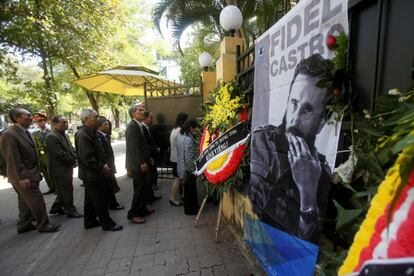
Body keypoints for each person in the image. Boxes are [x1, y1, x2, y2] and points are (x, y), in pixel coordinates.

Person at [248, 54, 333, 243]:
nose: (294, 120)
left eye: (307, 111)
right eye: (294, 103)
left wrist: (308, 196)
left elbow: (306, 241)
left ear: (321, 123)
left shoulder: (322, 175)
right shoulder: (261, 141)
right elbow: (254, 202)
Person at [0, 107, 60, 233]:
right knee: (36, 200)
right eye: (26, 115)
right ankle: (43, 224)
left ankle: (24, 224)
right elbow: (12, 159)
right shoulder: (9, 135)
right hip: (23, 176)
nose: (30, 117)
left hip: (32, 174)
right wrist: (22, 177)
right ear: (17, 118)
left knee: (25, 201)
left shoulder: (26, 132)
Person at [76, 109, 122, 231]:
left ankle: (89, 221)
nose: (98, 120)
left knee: (90, 199)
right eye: (95, 117)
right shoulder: (83, 134)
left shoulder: (91, 131)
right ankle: (107, 223)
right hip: (92, 174)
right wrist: (101, 166)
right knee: (100, 199)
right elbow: (86, 156)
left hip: (94, 172)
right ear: (86, 119)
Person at [46, 115, 83, 218]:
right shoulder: (51, 137)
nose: (66, 124)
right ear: (54, 124)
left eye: (67, 122)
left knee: (63, 190)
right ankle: (70, 210)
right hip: (59, 169)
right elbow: (59, 154)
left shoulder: (64, 135)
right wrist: (72, 161)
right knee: (66, 190)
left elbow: (71, 148)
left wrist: (75, 157)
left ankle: (56, 207)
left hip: (66, 167)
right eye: (63, 122)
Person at [125, 103, 156, 224]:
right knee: (139, 189)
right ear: (133, 113)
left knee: (143, 188)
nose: (143, 112)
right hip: (137, 164)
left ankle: (142, 209)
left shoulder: (138, 125)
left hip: (141, 162)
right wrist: (141, 163)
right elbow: (134, 148)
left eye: (143, 110)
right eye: (140, 110)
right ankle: (133, 214)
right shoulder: (132, 126)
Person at [96, 116, 124, 210]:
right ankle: (112, 204)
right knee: (108, 186)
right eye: (105, 124)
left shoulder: (104, 136)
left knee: (109, 186)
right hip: (106, 167)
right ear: (99, 126)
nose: (108, 126)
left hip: (109, 166)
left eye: (108, 124)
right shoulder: (98, 136)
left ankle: (112, 203)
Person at [177, 119, 199, 215]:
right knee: (190, 190)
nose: (196, 130)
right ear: (190, 128)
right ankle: (190, 210)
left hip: (182, 167)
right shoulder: (188, 139)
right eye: (195, 128)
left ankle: (192, 206)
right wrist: (193, 170)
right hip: (188, 169)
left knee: (188, 190)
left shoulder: (181, 135)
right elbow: (189, 157)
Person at [32, 113, 54, 195]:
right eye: (37, 122)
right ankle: (50, 187)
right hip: (41, 156)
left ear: (45, 122)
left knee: (51, 172)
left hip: (49, 155)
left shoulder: (50, 132)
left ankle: (56, 187)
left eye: (41, 121)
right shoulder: (35, 134)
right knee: (45, 173)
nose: (39, 123)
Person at [169, 112, 188, 206]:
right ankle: (173, 198)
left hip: (174, 158)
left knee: (178, 178)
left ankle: (180, 196)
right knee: (178, 179)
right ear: (183, 121)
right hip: (178, 159)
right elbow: (182, 146)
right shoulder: (180, 130)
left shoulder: (174, 129)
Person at [142, 111, 161, 202]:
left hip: (152, 156)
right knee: (149, 178)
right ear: (145, 118)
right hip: (149, 157)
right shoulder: (142, 128)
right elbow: (144, 145)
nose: (152, 120)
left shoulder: (147, 128)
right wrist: (154, 150)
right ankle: (148, 198)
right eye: (151, 118)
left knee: (152, 177)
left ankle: (151, 196)